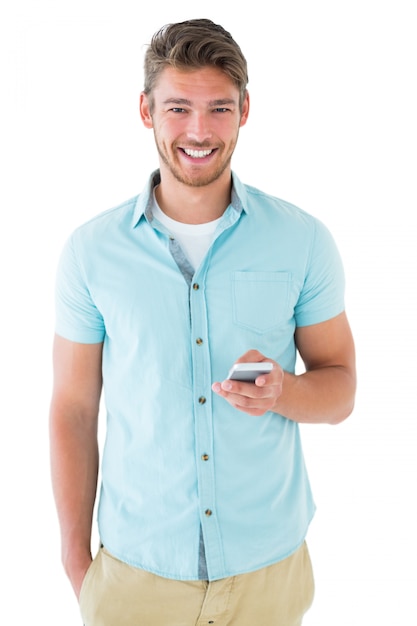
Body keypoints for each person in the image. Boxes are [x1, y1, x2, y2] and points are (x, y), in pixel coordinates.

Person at [49, 18, 356, 626]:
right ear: (146, 111)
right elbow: (74, 410)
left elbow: (340, 387)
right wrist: (76, 563)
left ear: (245, 111)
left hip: (268, 574)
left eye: (218, 108)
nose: (198, 130)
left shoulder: (303, 241)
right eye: (177, 107)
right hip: (135, 576)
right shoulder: (90, 252)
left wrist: (285, 392)